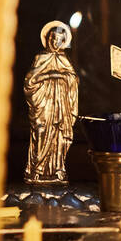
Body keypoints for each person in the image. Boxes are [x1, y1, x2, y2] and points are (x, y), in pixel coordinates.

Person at [23, 21, 79, 184]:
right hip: (44, 106)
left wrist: (64, 77)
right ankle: (37, 170)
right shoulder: (40, 58)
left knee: (60, 136)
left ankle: (58, 169)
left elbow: (73, 80)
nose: (55, 43)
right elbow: (30, 81)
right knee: (40, 133)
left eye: (59, 40)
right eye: (53, 38)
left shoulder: (64, 59)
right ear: (48, 39)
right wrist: (50, 75)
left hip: (61, 106)